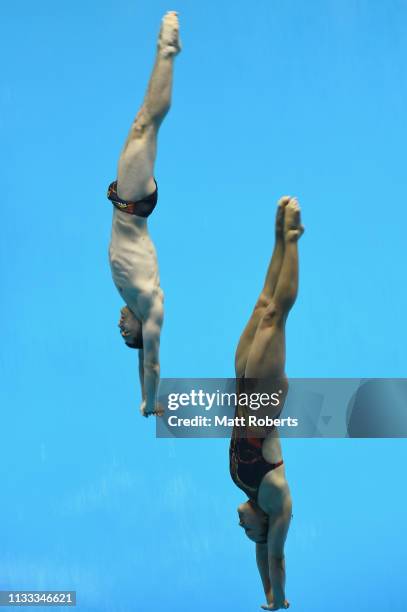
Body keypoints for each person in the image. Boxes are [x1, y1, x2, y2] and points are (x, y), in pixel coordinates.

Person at [230, 196, 304, 610]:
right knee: (276, 314)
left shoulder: (250, 490)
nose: (240, 526)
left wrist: (266, 592)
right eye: (247, 532)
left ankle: (278, 237)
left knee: (262, 303)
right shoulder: (276, 498)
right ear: (265, 525)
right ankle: (293, 238)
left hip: (244, 387)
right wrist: (276, 599)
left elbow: (262, 551)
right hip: (263, 399)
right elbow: (273, 555)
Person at [107, 11, 181, 417]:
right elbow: (150, 361)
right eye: (127, 336)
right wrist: (151, 399)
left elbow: (142, 360)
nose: (121, 330)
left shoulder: (133, 298)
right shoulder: (149, 305)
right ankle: (167, 49)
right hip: (133, 207)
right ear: (143, 332)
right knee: (146, 123)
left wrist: (142, 398)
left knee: (144, 125)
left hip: (128, 204)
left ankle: (167, 52)